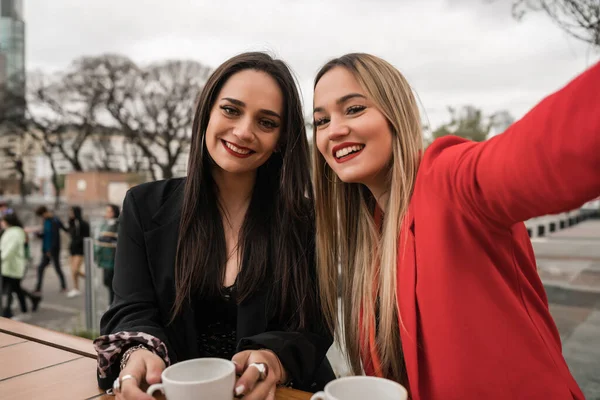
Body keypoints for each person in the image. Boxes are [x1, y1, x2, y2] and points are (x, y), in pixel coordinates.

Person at [311, 53, 599, 400]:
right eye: (321, 120)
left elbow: (546, 150)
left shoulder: (449, 180)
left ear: (395, 115)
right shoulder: (369, 235)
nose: (335, 130)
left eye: (354, 109)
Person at [94, 52, 334, 400]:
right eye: (231, 110)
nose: (243, 131)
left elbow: (312, 327)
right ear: (207, 111)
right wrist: (137, 352)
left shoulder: (304, 219)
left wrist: (273, 358)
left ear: (282, 138)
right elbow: (130, 307)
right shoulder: (144, 206)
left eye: (266, 122)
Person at [1, 213, 41, 319]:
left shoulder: (15, 233)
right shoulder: (9, 232)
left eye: (2, 221)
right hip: (8, 266)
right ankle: (31, 301)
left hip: (13, 266)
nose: (1, 223)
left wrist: (2, 258)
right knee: (15, 288)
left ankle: (8, 312)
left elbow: (10, 249)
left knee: (12, 288)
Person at [33, 206, 67, 294]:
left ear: (44, 213)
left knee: (57, 267)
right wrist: (39, 235)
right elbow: (46, 235)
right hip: (46, 249)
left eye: (42, 215)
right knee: (40, 268)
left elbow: (55, 237)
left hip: (53, 250)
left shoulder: (54, 221)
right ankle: (38, 288)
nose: (42, 217)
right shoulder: (46, 221)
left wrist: (50, 250)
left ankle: (64, 286)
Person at [94, 204, 119, 304]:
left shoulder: (118, 225)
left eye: (109, 211)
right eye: (107, 211)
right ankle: (111, 303)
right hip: (104, 259)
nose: (107, 213)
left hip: (113, 259)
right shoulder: (104, 224)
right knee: (107, 282)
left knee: (113, 283)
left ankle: (112, 303)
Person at [65, 206, 90, 298]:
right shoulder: (71, 223)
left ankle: (89, 277)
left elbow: (86, 236)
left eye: (72, 212)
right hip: (72, 249)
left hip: (80, 250)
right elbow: (69, 233)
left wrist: (79, 241)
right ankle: (76, 288)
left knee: (76, 269)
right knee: (73, 271)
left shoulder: (83, 224)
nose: (70, 214)